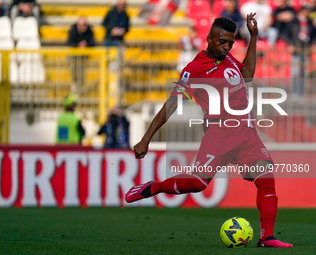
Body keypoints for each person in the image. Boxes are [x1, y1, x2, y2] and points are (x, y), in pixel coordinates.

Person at [125, 15, 293, 248]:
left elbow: (248, 75)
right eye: (222, 42)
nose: (226, 47)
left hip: (246, 133)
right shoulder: (194, 69)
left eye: (230, 43)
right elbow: (172, 103)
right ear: (209, 39)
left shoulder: (228, 58)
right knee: (197, 183)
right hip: (219, 135)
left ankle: (267, 237)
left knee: (266, 179)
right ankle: (153, 187)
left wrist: (253, 37)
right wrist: (146, 139)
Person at [285, 5, 315, 97]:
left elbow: (313, 35)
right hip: (296, 49)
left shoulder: (310, 22)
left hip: (306, 49)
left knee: (304, 73)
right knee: (295, 72)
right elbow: (286, 34)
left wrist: (313, 44)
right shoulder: (293, 22)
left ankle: (302, 94)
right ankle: (294, 93)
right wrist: (290, 44)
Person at [67, 17, 95, 94]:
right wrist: (78, 45)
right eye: (81, 25)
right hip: (74, 57)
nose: (83, 27)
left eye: (85, 25)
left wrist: (86, 45)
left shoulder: (89, 31)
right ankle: (75, 90)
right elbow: (69, 43)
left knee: (82, 76)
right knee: (74, 74)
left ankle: (80, 91)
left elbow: (92, 43)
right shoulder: (73, 30)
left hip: (83, 57)